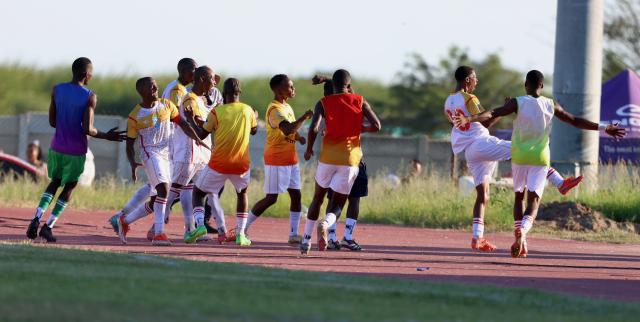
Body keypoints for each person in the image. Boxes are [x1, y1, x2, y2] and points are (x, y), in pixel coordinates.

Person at [454, 70, 626, 257]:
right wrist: (604, 127)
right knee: (534, 202)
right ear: (542, 86)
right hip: (540, 158)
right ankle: (524, 230)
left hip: (519, 156)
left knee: (519, 197)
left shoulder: (517, 102)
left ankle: (521, 237)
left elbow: (493, 113)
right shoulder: (550, 104)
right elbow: (575, 121)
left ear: (525, 84)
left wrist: (469, 118)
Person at [444, 66, 583, 252]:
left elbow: (458, 125)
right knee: (527, 150)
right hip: (481, 142)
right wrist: (503, 111)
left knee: (482, 195)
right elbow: (486, 121)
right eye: (475, 78)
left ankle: (478, 238)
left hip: (468, 150)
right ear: (468, 80)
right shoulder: (469, 98)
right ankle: (560, 182)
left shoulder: (448, 101)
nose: (477, 81)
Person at [26, 57, 126, 242]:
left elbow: (52, 121)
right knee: (69, 186)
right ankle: (48, 227)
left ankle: (36, 218)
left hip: (56, 147)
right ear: (85, 74)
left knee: (54, 182)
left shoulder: (57, 90)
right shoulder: (90, 96)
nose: (91, 77)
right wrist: (106, 135)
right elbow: (89, 129)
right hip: (75, 150)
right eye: (91, 74)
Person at [116, 77, 208, 246]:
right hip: (150, 154)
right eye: (151, 86)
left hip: (168, 155)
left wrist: (197, 139)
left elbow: (184, 124)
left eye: (156, 86)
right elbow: (129, 144)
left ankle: (125, 221)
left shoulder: (167, 105)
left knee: (155, 200)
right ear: (142, 91)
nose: (155, 88)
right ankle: (159, 234)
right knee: (164, 190)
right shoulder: (134, 116)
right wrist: (132, 163)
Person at [109, 58, 198, 232]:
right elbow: (179, 119)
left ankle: (123, 218)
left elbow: (176, 118)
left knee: (159, 189)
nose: (196, 73)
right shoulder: (177, 90)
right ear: (183, 71)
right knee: (177, 187)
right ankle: (185, 228)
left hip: (169, 146)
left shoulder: (178, 90)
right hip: (171, 145)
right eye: (193, 70)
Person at [301, 69, 381, 255]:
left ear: (332, 85)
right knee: (338, 204)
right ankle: (326, 224)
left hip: (327, 158)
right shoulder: (360, 100)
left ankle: (305, 240)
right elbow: (377, 125)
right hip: (350, 160)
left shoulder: (324, 102)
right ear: (349, 84)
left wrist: (309, 148)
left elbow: (313, 128)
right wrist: (361, 129)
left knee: (318, 199)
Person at [244, 74, 313, 244]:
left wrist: (299, 138)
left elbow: (290, 130)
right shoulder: (274, 110)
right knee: (271, 198)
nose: (293, 89)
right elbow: (287, 129)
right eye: (289, 86)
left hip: (291, 159)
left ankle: (293, 234)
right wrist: (304, 118)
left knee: (296, 196)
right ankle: (242, 228)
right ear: (277, 89)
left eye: (292, 86)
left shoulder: (287, 107)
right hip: (276, 159)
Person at [191, 78, 258, 246]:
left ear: (224, 93)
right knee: (242, 194)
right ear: (239, 93)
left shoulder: (216, 112)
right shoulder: (248, 110)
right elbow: (254, 130)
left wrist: (193, 120)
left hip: (218, 164)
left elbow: (201, 134)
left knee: (198, 192)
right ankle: (241, 234)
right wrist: (255, 116)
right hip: (241, 164)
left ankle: (200, 225)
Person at [313, 75, 369, 252]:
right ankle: (345, 237)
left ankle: (334, 237)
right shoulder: (341, 108)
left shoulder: (327, 108)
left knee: (337, 199)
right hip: (352, 160)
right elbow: (347, 87)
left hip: (334, 161)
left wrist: (326, 78)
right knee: (348, 200)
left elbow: (344, 85)